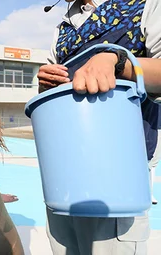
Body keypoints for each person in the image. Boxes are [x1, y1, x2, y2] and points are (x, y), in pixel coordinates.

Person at [37, 0, 161, 254]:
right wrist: (45, 84)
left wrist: (118, 62)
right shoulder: (62, 27)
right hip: (62, 172)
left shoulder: (146, 4)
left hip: (116, 175)